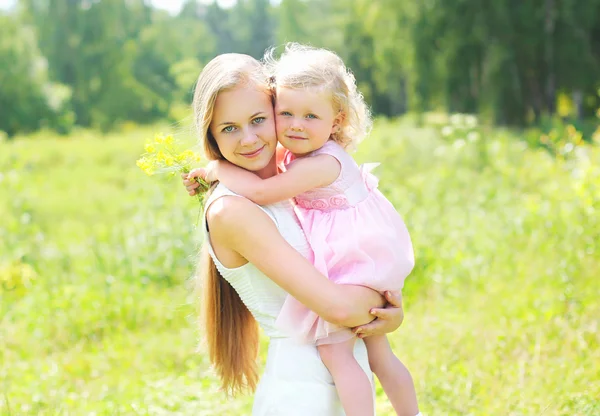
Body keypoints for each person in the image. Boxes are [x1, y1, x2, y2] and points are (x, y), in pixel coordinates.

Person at [191, 44, 420, 416]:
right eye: (229, 128)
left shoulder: (297, 182)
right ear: (212, 137)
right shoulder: (232, 210)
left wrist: (389, 314)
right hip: (303, 394)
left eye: (259, 120)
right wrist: (381, 307)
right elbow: (339, 307)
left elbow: (347, 281)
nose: (248, 139)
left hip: (343, 378)